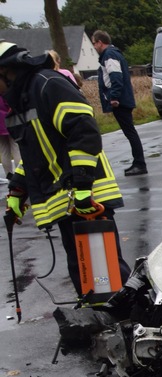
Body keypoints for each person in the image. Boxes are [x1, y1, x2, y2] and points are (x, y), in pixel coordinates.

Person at [0, 41, 130, 304]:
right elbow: (35, 154)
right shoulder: (22, 103)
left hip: (87, 197)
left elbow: (84, 131)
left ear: (5, 72)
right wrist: (17, 190)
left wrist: (82, 187)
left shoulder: (47, 85)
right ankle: (100, 325)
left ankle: (134, 323)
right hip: (67, 200)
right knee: (83, 272)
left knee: (106, 272)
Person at [91, 30, 146, 177]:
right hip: (122, 99)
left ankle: (140, 164)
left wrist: (113, 97)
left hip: (119, 101)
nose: (94, 47)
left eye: (94, 43)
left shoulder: (109, 55)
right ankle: (138, 162)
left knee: (130, 132)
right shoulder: (112, 54)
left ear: (100, 42)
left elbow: (115, 77)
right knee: (130, 132)